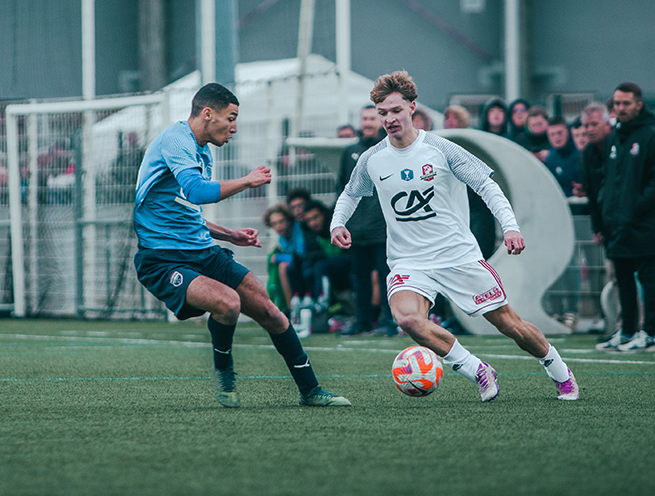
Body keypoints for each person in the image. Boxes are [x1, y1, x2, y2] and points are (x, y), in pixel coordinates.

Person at [331, 70, 579, 402]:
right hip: (409, 261)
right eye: (382, 113)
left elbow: (487, 186)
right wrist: (337, 223)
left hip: (458, 256)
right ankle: (477, 369)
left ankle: (559, 372)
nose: (389, 119)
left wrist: (511, 227)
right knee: (407, 319)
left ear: (412, 108)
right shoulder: (372, 159)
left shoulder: (442, 149)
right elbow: (349, 194)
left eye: (395, 110)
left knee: (510, 324)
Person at [133, 83, 349, 408]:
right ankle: (225, 372)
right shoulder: (176, 141)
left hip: (204, 252)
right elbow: (195, 192)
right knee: (228, 303)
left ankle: (311, 390)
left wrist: (228, 234)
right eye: (230, 118)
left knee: (271, 312)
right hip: (162, 260)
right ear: (208, 114)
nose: (234, 127)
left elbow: (182, 209)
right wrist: (248, 180)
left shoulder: (202, 150)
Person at [587, 82, 655, 352]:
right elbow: (609, 182)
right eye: (617, 104)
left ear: (639, 105)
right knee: (622, 280)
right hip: (617, 226)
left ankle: (649, 334)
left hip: (643, 224)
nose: (620, 108)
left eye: (626, 103)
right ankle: (626, 333)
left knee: (647, 279)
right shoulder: (613, 138)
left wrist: (635, 208)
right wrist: (607, 214)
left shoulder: (651, 136)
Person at [338, 105, 394, 336]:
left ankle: (390, 321)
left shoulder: (389, 150)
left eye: (372, 118)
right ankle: (361, 321)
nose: (368, 123)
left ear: (380, 121)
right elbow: (341, 189)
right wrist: (340, 222)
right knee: (359, 279)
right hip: (356, 229)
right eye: (364, 118)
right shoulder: (349, 151)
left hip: (382, 230)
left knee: (386, 277)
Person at [542, 117, 583, 197]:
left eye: (559, 133)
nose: (556, 137)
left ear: (568, 132)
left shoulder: (579, 152)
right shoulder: (550, 158)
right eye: (552, 134)